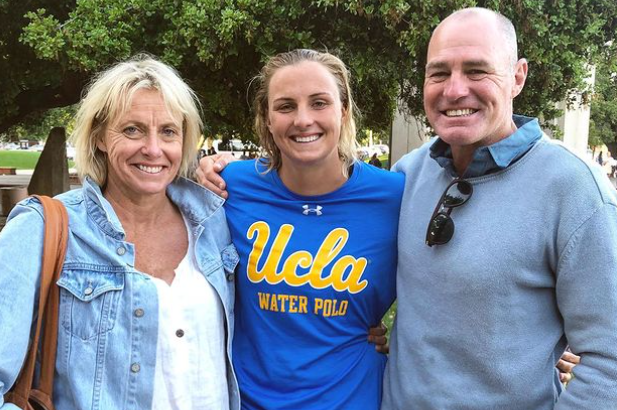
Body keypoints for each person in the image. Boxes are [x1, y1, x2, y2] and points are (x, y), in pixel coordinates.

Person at [381, 7, 617, 409]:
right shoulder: (407, 175)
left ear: (517, 77)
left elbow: (608, 359)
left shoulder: (575, 189)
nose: (454, 90)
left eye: (476, 71)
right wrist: (237, 178)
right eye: (439, 73)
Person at [0, 55, 240, 409]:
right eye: (132, 129)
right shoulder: (42, 228)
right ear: (99, 136)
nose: (153, 149)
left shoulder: (216, 224)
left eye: (169, 132)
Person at [197, 49, 403, 409]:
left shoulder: (394, 197)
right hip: (246, 400)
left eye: (320, 102)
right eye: (286, 106)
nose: (303, 119)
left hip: (352, 398)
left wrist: (400, 338)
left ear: (343, 109)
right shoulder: (228, 186)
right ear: (267, 118)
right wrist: (200, 168)